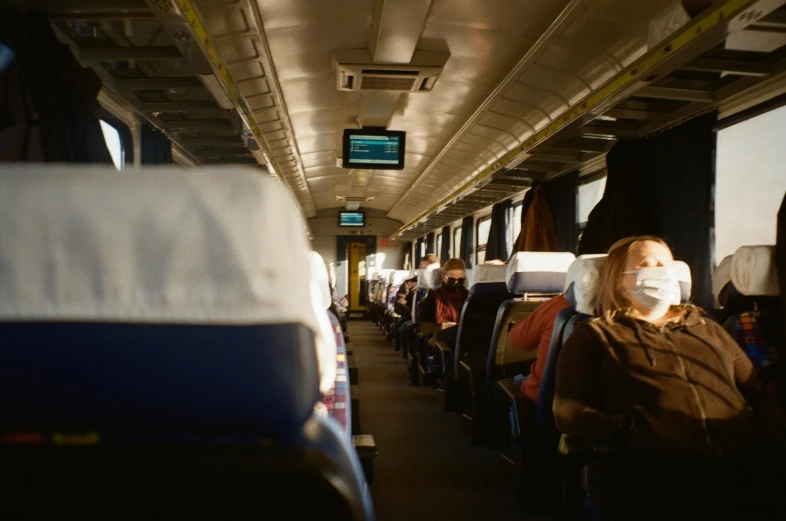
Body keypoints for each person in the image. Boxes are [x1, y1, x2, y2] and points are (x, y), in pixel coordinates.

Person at [552, 235, 786, 521]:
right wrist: (628, 433)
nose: (660, 272)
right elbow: (565, 408)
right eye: (646, 264)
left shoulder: (708, 328)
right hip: (651, 475)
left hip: (740, 467)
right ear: (617, 279)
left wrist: (771, 438)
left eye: (666, 264)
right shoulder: (596, 335)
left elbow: (757, 393)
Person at [506, 293, 571, 439]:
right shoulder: (623, 312)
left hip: (545, 395)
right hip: (592, 404)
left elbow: (518, 340)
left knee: (515, 380)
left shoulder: (558, 306)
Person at [417, 257, 469, 350]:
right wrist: (441, 326)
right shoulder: (434, 296)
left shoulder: (468, 296)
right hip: (439, 334)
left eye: (460, 280)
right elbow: (420, 326)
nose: (456, 283)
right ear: (443, 277)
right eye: (451, 280)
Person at [395, 254, 440, 352]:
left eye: (435, 272)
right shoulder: (409, 283)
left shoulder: (441, 289)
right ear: (421, 268)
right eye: (427, 271)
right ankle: (408, 353)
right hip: (414, 318)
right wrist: (411, 312)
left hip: (436, 320)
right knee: (404, 328)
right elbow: (399, 303)